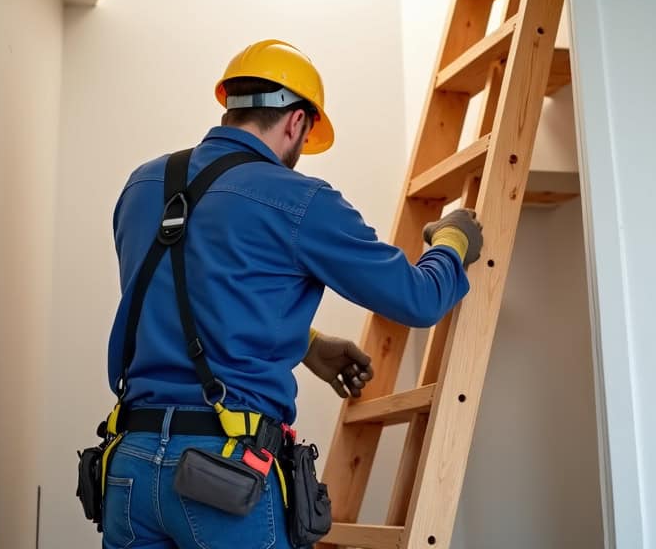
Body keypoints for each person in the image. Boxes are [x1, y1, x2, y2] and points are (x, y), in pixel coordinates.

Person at [101, 39, 482, 549]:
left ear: (232, 105)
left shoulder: (142, 185)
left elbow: (184, 292)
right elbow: (418, 299)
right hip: (222, 476)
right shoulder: (299, 199)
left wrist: (308, 343)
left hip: (130, 466)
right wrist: (452, 242)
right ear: (297, 121)